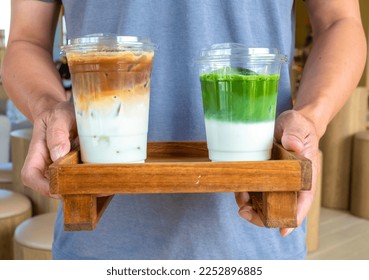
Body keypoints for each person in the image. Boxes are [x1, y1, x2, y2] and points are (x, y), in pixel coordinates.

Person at [2, 0, 366, 260]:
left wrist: (312, 118)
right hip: (100, 243)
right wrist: (48, 108)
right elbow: (26, 40)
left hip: (257, 237)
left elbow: (340, 22)